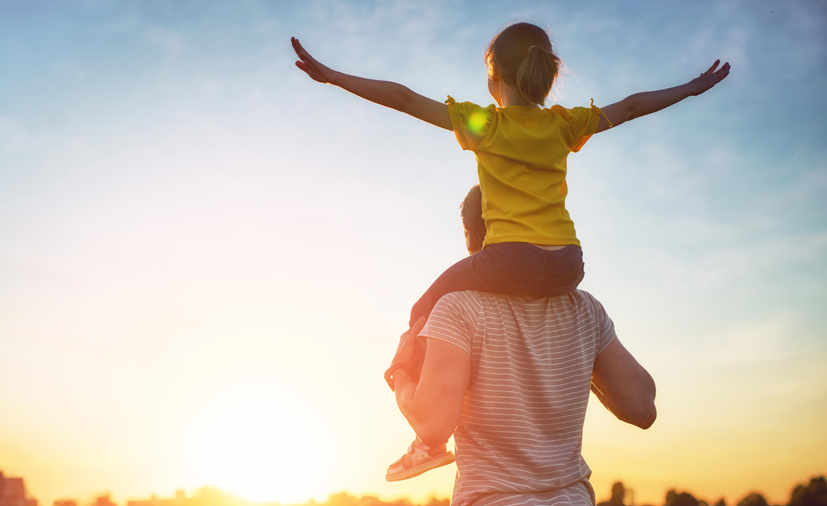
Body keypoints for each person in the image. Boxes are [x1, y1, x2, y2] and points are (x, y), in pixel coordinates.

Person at [291, 22, 725, 475]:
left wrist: (336, 77)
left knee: (424, 305)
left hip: (509, 260)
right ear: (546, 74)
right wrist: (692, 88)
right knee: (479, 293)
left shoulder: (487, 124)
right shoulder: (564, 123)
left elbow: (403, 98)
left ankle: (427, 443)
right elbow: (633, 106)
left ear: (494, 78)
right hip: (567, 264)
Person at [385, 184, 657, 504]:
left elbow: (432, 427)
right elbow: (642, 407)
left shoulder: (457, 308)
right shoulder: (584, 309)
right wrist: (582, 357)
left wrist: (399, 370)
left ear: (470, 236)